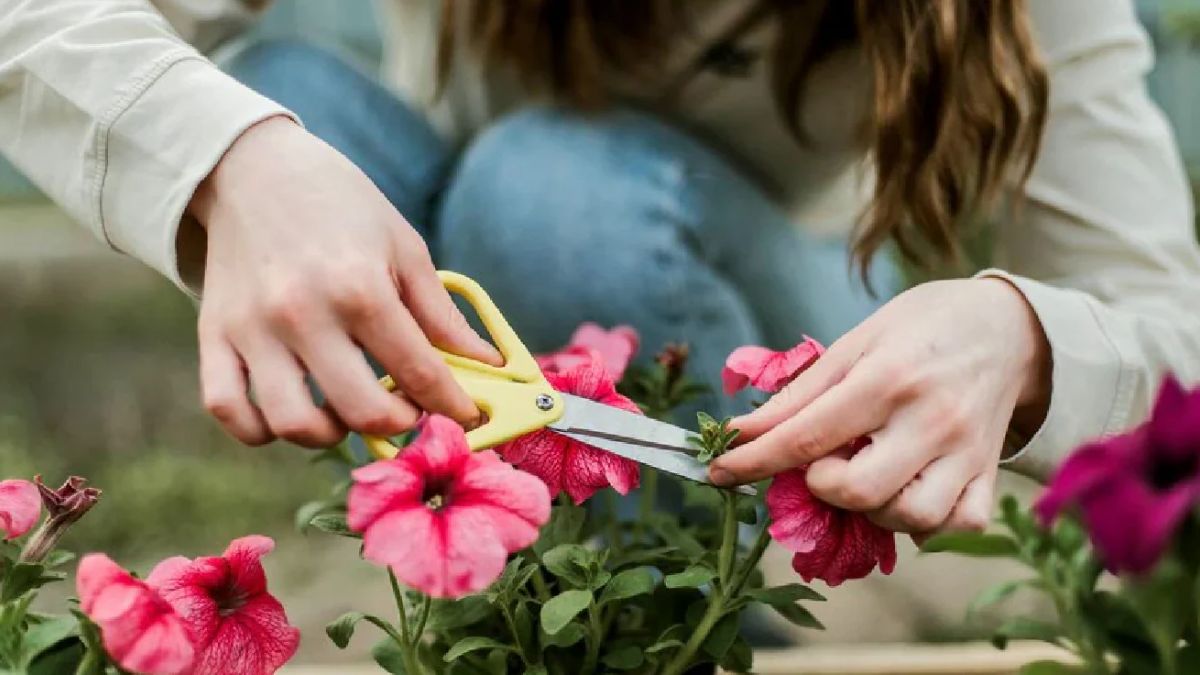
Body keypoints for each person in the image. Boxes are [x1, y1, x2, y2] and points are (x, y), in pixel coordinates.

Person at [2, 0, 1198, 540]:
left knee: (553, 190)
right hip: (475, 275)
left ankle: (681, 616)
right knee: (285, 101)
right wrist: (227, 157)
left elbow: (1170, 331)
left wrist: (1025, 336)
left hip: (786, 359)